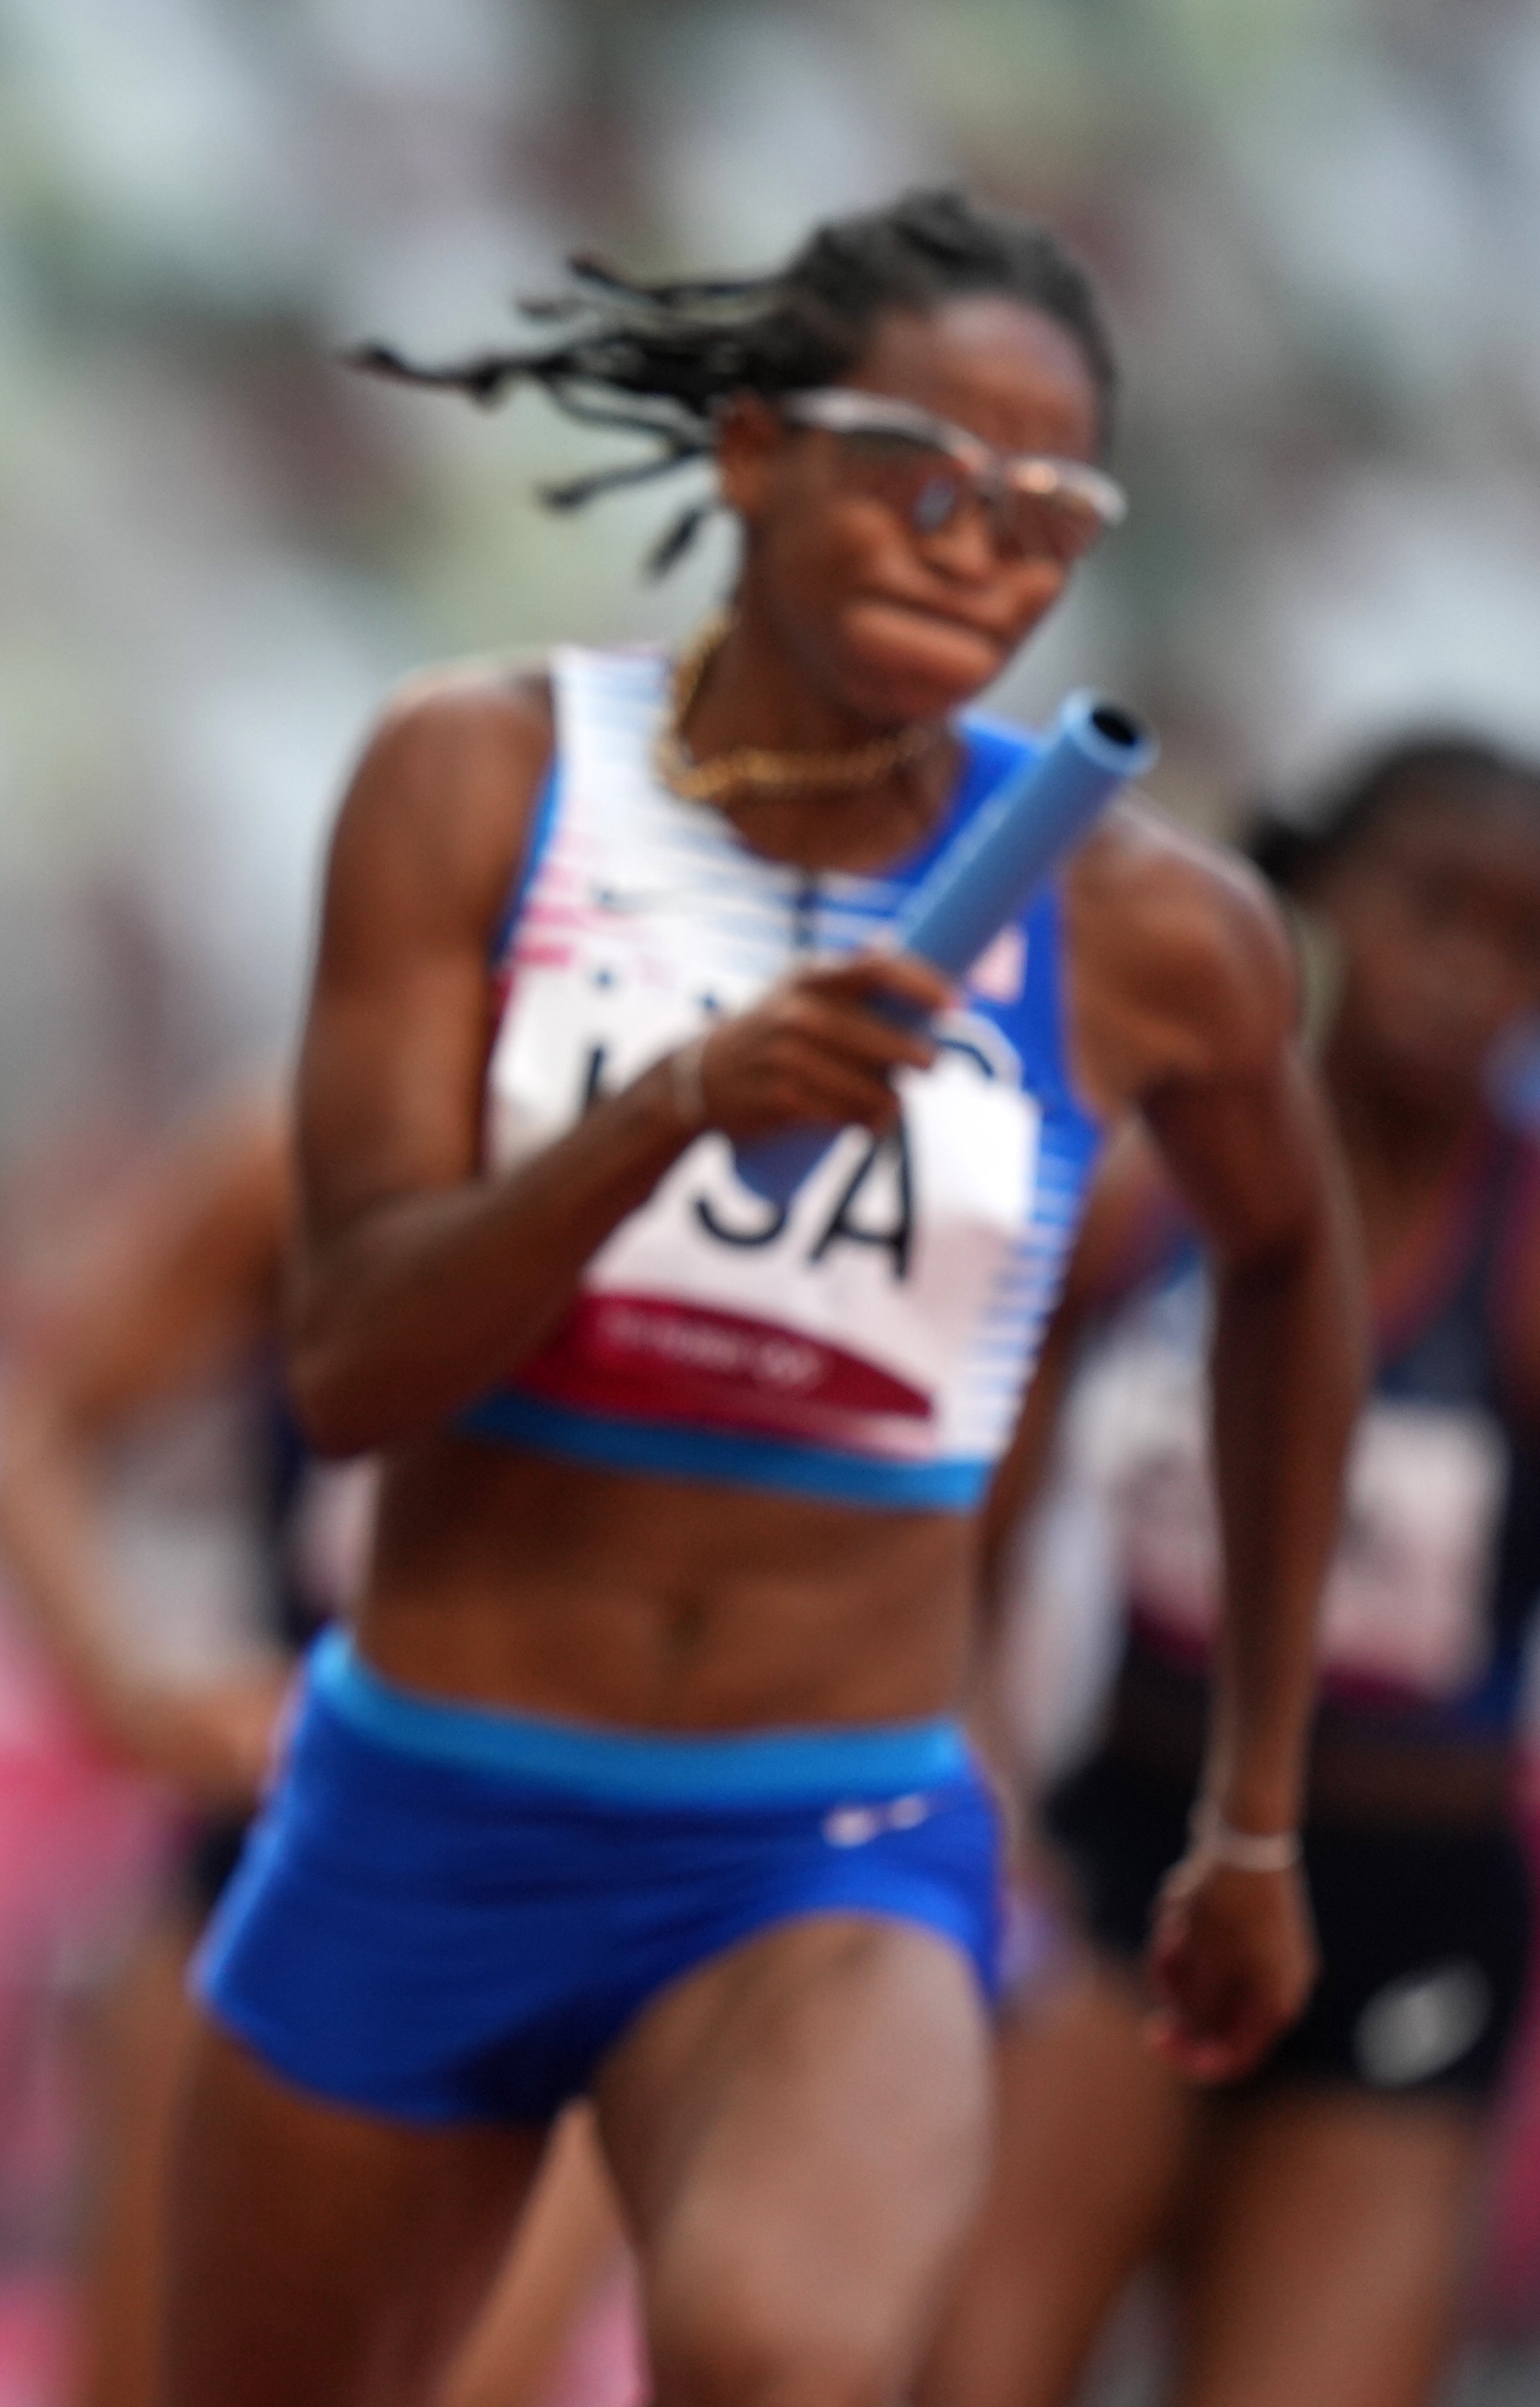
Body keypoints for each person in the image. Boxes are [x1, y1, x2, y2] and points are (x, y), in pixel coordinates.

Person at [162, 187, 1361, 2407]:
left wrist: (1257, 1800)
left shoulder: (1145, 925)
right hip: (426, 1791)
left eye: (1046, 506)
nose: (980, 544)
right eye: (921, 471)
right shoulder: (483, 777)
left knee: (784, 2359)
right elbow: (351, 1372)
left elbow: (1296, 1262)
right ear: (747, 450)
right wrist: (669, 1110)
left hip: (821, 1830)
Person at [923, 734, 1540, 2407]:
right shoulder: (1137, 1197)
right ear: (1306, 897)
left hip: (1401, 1900)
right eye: (1426, 910)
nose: (1460, 973)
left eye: (1516, 943)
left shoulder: (1524, 1248)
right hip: (1129, 1844)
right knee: (966, 2368)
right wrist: (979, 1768)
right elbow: (963, 1512)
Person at [0, 1091, 630, 2407]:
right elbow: (34, 1442)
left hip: (579, 1872)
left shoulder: (715, 1157)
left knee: (479, 2377)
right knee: (151, 2377)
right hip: (282, 1850)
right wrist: (134, 1694)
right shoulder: (296, 1160)